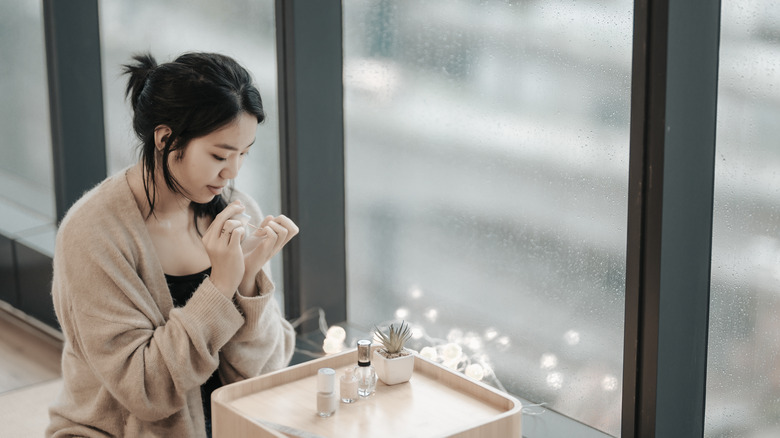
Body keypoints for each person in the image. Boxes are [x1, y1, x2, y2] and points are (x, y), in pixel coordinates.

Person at [46, 52, 298, 437]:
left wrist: (247, 285)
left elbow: (266, 372)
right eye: (219, 155)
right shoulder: (93, 234)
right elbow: (147, 393)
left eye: (244, 154)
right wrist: (219, 288)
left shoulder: (235, 210)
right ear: (166, 138)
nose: (232, 172)